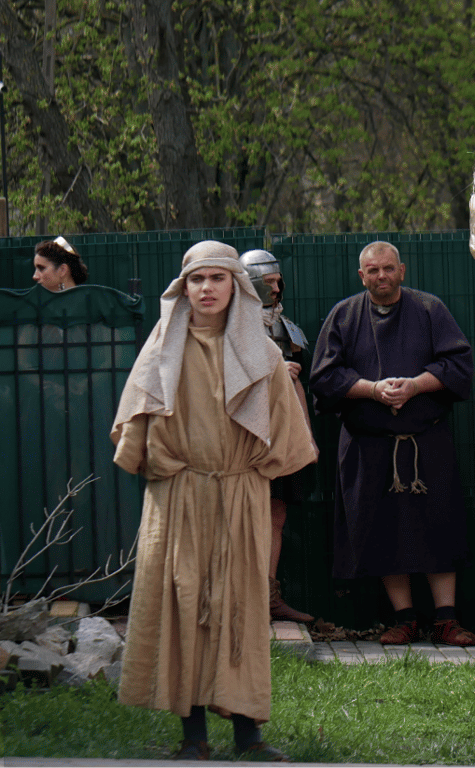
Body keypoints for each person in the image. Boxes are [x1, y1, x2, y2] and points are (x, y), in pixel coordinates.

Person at [111, 241, 316, 760]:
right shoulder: (160, 350)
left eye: (217, 278)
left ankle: (248, 736)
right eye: (196, 279)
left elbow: (288, 436)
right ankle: (193, 736)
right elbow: (135, 431)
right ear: (183, 288)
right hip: (178, 497)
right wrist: (166, 464)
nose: (206, 288)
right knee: (184, 609)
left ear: (235, 286)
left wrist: (247, 473)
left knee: (241, 610)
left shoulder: (263, 354)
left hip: (240, 496)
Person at [310, 241, 475, 646]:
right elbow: (324, 378)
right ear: (361, 276)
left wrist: (414, 386)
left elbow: (459, 366)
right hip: (368, 447)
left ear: (402, 270)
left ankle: (446, 619)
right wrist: (372, 390)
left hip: (427, 442)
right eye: (372, 270)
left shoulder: (430, 309)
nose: (381, 276)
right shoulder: (343, 316)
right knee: (381, 530)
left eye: (388, 268)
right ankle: (404, 618)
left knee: (439, 526)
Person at [239, 249, 316, 625]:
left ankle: (267, 598)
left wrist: (307, 438)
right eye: (266, 282)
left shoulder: (286, 328)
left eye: (277, 281)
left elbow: (299, 384)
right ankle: (241, 599)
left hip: (282, 430)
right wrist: (271, 373)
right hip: (244, 433)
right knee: (240, 514)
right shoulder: (232, 327)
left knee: (276, 514)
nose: (275, 288)